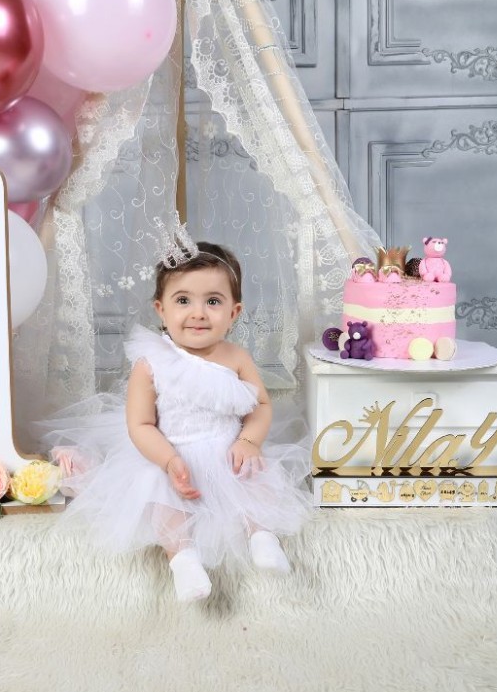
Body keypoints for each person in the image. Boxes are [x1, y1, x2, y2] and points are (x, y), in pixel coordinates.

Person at [40, 240, 313, 604]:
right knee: (160, 495)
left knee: (254, 478)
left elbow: (260, 405)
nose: (198, 313)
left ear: (234, 312)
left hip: (227, 449)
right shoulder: (150, 363)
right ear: (161, 309)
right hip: (169, 453)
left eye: (213, 301)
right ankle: (182, 559)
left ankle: (262, 537)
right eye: (183, 300)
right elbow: (141, 425)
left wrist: (248, 441)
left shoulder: (236, 357)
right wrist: (168, 460)